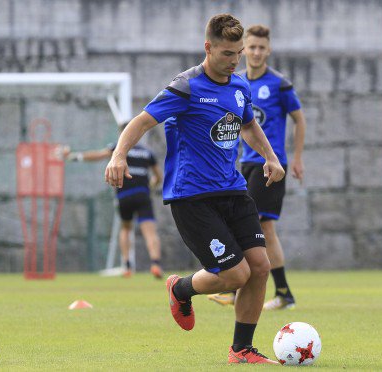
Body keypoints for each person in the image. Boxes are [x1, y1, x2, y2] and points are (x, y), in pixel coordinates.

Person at [105, 14, 285, 364]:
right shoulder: (185, 87)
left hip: (233, 190)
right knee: (235, 275)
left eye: (238, 54)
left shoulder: (239, 85)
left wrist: (270, 157)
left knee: (259, 267)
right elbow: (141, 121)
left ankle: (242, 350)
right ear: (208, 48)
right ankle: (180, 288)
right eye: (227, 54)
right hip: (192, 197)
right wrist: (118, 156)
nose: (235, 61)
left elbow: (247, 125)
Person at [207, 24, 306, 310]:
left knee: (255, 225)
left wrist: (296, 158)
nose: (256, 52)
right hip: (245, 164)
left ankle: (238, 288)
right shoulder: (235, 82)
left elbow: (300, 119)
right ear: (243, 49)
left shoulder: (279, 84)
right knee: (264, 228)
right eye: (251, 47)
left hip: (270, 166)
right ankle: (283, 292)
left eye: (262, 47)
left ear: (269, 50)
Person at [62, 123, 163, 279]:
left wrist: (73, 156)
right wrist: (150, 186)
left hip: (124, 195)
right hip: (143, 194)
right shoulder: (147, 153)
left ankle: (127, 265)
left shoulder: (118, 149)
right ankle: (155, 264)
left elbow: (97, 155)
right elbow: (158, 177)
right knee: (149, 231)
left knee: (126, 228)